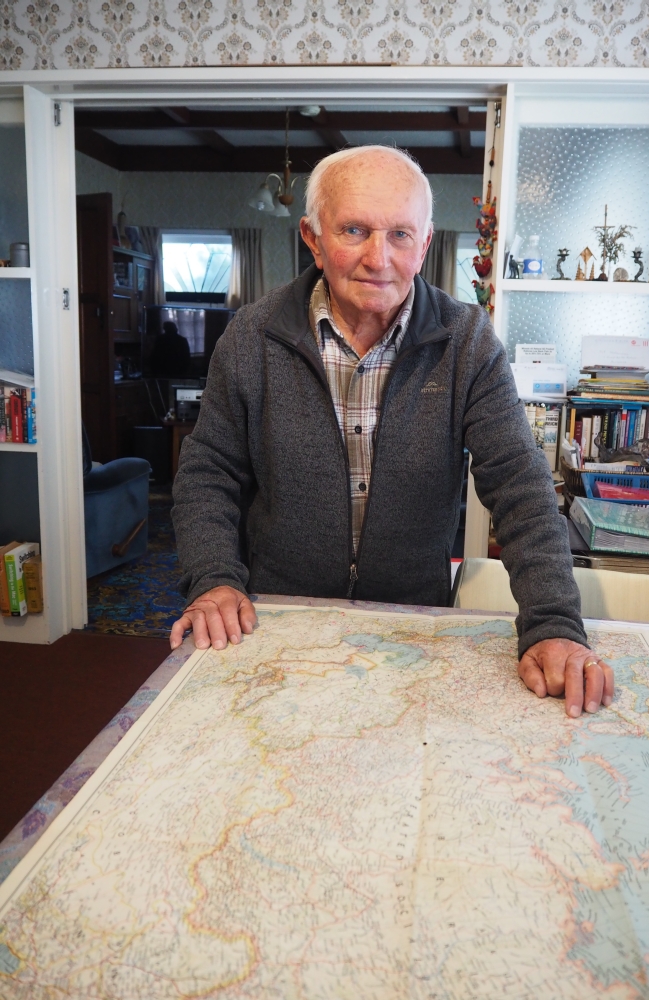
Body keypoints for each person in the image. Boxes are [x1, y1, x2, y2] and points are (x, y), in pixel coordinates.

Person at [170, 145, 614, 718]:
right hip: (275, 620)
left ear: (425, 245)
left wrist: (552, 623)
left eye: (401, 235)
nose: (379, 258)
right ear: (312, 236)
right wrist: (212, 579)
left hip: (412, 627)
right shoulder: (252, 336)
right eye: (354, 230)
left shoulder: (468, 342)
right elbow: (208, 474)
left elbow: (522, 490)